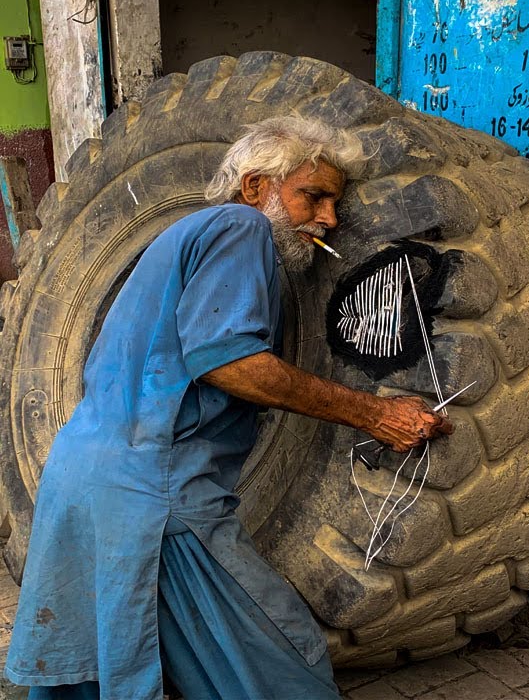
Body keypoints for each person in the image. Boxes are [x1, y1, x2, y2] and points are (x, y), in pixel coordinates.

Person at [4, 116, 453, 699]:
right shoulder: (240, 227)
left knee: (99, 671)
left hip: (84, 478)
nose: (329, 219)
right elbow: (231, 363)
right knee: (281, 663)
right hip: (156, 491)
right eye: (313, 196)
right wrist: (375, 413)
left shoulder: (188, 236)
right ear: (254, 187)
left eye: (334, 203)